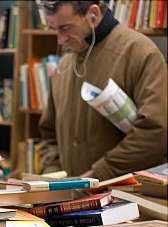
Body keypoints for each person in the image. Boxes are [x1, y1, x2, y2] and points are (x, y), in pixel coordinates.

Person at [38, 0, 167, 180]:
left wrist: (99, 174)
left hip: (125, 196)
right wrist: (53, 177)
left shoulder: (141, 54)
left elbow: (155, 133)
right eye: (54, 29)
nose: (60, 40)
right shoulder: (65, 65)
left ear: (93, 14)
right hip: (68, 196)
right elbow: (49, 133)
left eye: (65, 28)